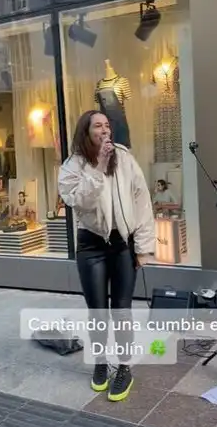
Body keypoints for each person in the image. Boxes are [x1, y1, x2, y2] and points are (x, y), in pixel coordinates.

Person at [58, 110, 156, 402]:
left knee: (122, 311)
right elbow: (77, 200)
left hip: (122, 243)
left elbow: (142, 201)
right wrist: (98, 166)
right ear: (86, 133)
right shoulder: (73, 165)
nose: (104, 130)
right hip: (91, 246)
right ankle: (101, 362)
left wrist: (144, 247)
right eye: (97, 126)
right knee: (97, 311)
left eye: (106, 125)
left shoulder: (125, 158)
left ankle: (124, 367)